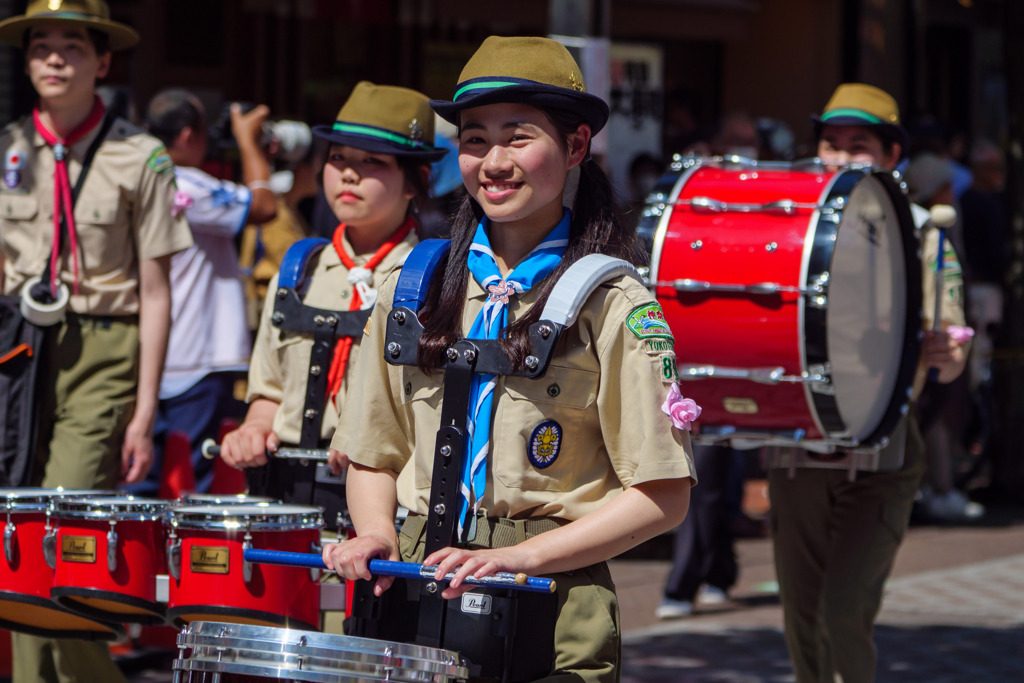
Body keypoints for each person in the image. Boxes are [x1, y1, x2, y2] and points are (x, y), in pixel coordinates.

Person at [322, 36, 696, 681]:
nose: (493, 162)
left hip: (550, 590)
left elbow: (662, 495)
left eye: (518, 137)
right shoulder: (414, 287)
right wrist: (377, 533)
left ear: (576, 146)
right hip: (416, 574)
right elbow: (371, 451)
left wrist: (526, 558)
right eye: (473, 140)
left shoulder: (614, 301)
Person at [0, 1, 192, 681]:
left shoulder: (139, 154)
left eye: (72, 46)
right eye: (41, 46)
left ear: (101, 62)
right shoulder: (9, 149)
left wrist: (145, 410)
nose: (55, 58)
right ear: (26, 64)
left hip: (104, 349)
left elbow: (157, 291)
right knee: (19, 534)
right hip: (19, 350)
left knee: (68, 519)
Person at [219, 82, 445, 627]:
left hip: (379, 504)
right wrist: (254, 426)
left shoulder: (436, 278)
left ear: (416, 181)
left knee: (356, 643)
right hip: (288, 493)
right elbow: (271, 387)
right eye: (338, 159)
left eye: (373, 163)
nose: (347, 174)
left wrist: (367, 445)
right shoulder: (299, 268)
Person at [766, 83, 970, 683]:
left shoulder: (925, 235)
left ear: (889, 158)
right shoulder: (788, 229)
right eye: (831, 144)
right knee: (801, 618)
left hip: (884, 449)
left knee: (842, 611)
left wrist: (946, 352)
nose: (840, 156)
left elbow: (951, 355)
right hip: (798, 447)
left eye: (859, 145)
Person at [121, 89, 278, 496]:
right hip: (200, 355)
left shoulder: (136, 177)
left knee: (141, 479)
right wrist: (247, 142)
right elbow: (264, 207)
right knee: (201, 482)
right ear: (189, 135)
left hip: (149, 352)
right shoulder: (185, 182)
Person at [656, 444, 738, 618]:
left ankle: (680, 588)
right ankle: (718, 572)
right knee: (711, 488)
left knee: (699, 483)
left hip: (709, 422)